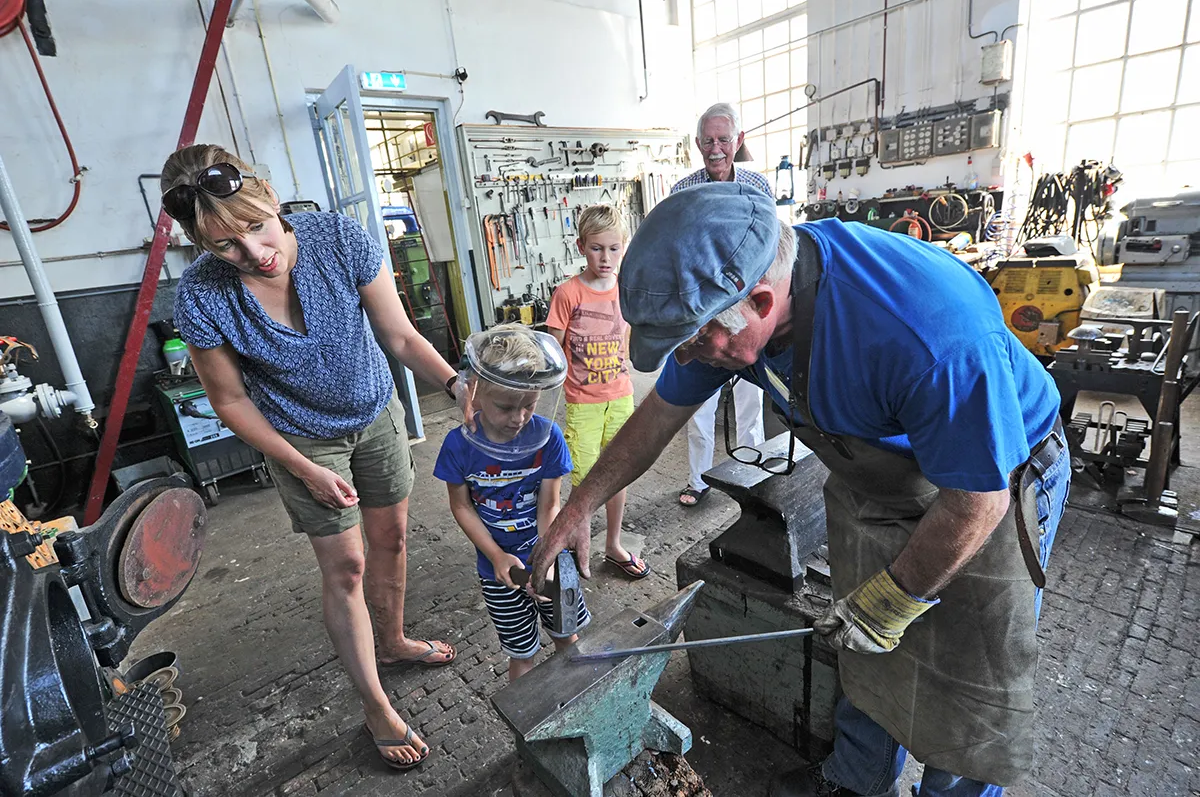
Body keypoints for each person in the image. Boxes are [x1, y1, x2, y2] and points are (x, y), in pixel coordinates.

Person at [528, 183, 1071, 797]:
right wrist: (579, 506)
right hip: (884, 479)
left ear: (760, 299)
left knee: (968, 683)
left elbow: (976, 502)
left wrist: (892, 601)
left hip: (991, 482)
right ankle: (857, 781)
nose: (695, 356)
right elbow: (656, 420)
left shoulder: (925, 331)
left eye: (697, 343)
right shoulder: (721, 314)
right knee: (864, 653)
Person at [165, 144, 459, 772]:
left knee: (393, 538)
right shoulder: (202, 297)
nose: (253, 253)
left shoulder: (336, 237)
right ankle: (375, 703)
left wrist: (457, 385)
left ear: (270, 198)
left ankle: (396, 639)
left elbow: (400, 334)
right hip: (300, 438)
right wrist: (303, 467)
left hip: (375, 412)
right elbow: (231, 402)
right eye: (225, 246)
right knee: (347, 565)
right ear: (201, 246)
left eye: (255, 226)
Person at [433, 324, 590, 681]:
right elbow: (461, 507)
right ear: (474, 392)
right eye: (505, 407)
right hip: (497, 572)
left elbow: (549, 506)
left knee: (568, 638)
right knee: (523, 654)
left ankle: (579, 693)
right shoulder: (458, 446)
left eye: (529, 406)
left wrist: (547, 559)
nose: (519, 418)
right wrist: (496, 556)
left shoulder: (548, 439)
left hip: (549, 560)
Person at [545, 204, 648, 580]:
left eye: (614, 248)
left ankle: (613, 544)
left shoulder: (627, 290)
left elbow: (635, 338)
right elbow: (553, 354)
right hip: (583, 404)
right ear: (580, 246)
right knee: (586, 481)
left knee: (616, 473)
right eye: (596, 248)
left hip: (620, 396)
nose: (605, 257)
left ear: (624, 248)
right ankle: (577, 544)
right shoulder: (567, 294)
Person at [672, 102, 767, 507]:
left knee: (752, 399)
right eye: (708, 140)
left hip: (748, 310)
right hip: (704, 310)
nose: (715, 149)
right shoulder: (682, 192)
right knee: (699, 403)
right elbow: (677, 255)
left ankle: (756, 473)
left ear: (738, 141)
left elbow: (771, 248)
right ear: (697, 143)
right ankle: (698, 479)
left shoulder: (758, 186)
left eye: (723, 140)